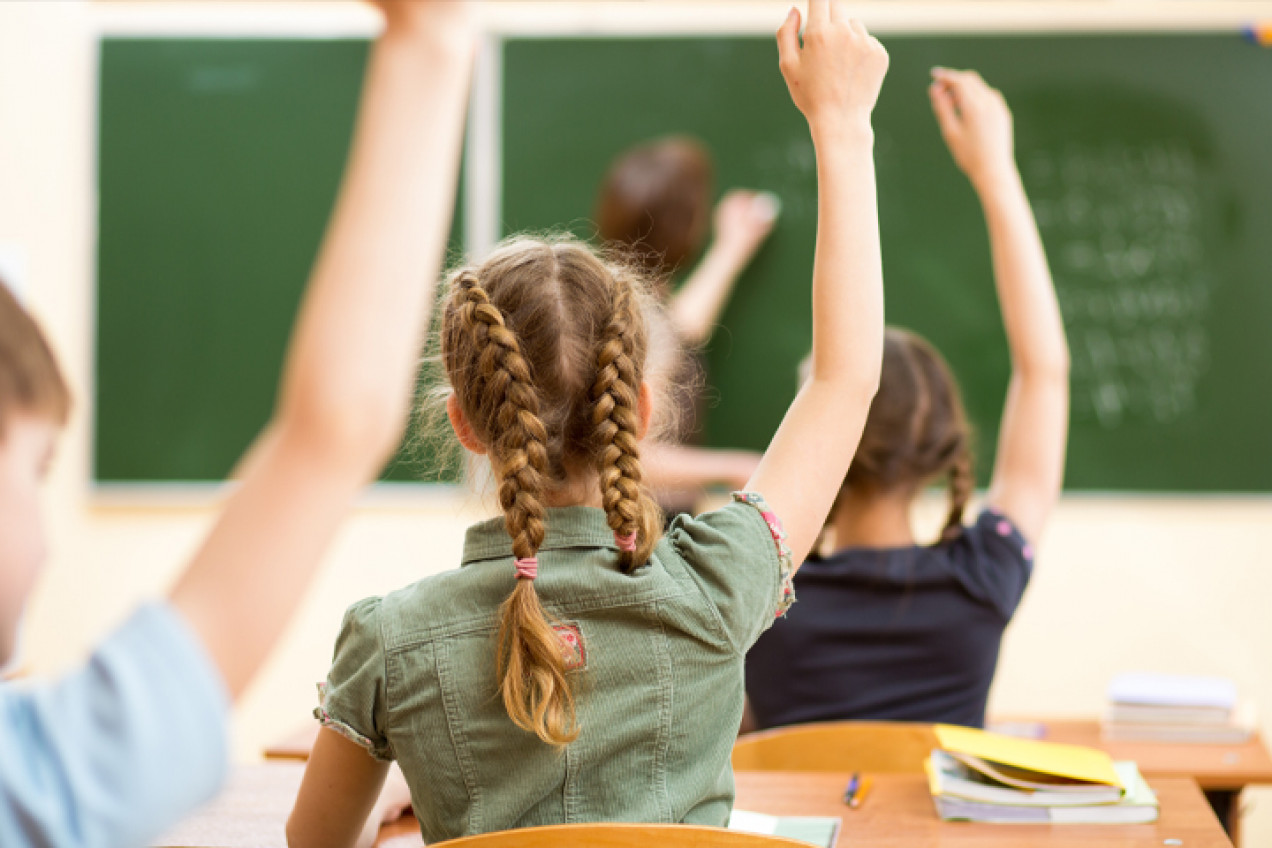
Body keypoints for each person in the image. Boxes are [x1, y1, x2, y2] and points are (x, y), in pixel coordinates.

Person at [287, 4, 888, 844]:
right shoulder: (720, 586)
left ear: (464, 421)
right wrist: (843, 123)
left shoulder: (388, 639)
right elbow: (845, 379)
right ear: (640, 413)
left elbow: (312, 844)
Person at [0, 2, 474, 844]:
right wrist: (430, 37)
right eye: (34, 472)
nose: (46, 529)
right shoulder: (34, 776)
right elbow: (335, 428)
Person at [744, 68, 1070, 731]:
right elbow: (1045, 374)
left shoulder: (755, 591)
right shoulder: (982, 579)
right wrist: (996, 173)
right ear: (938, 446)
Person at [596, 138, 779, 512]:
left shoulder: (617, 303)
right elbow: (628, 454)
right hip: (646, 532)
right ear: (687, 225)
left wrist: (731, 249)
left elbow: (682, 329)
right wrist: (735, 466)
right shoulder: (643, 323)